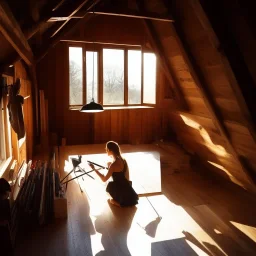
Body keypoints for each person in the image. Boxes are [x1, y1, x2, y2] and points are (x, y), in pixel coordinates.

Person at [88, 141, 138, 207]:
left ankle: (118, 203)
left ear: (110, 150)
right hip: (126, 187)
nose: (106, 151)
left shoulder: (113, 165)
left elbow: (104, 179)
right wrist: (109, 165)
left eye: (106, 149)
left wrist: (94, 169)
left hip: (119, 188)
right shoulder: (122, 159)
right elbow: (120, 171)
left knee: (110, 196)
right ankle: (122, 200)